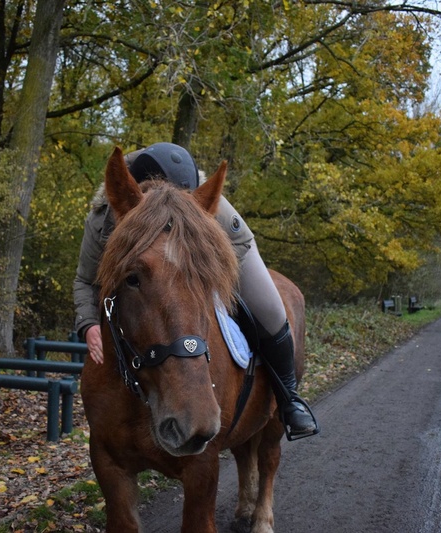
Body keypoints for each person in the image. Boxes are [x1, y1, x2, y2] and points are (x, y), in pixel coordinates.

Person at [73, 142, 319, 440]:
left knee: (271, 309)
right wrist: (87, 324)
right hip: (142, 246)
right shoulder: (103, 218)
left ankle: (289, 398)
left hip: (222, 245)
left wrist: (212, 278)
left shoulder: (213, 210)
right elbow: (86, 279)